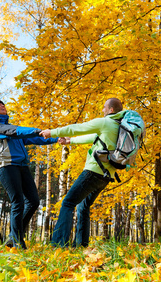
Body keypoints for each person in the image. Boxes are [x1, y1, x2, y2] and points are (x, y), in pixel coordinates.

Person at [39, 98, 123, 247]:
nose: (102, 110)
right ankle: (81, 245)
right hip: (106, 176)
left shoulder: (105, 122)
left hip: (93, 172)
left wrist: (52, 132)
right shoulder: (119, 127)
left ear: (110, 110)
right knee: (83, 206)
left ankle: (59, 245)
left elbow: (77, 128)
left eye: (104, 107)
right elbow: (93, 137)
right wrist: (70, 141)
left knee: (68, 203)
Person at [0, 100, 59, 249]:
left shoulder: (11, 128)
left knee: (33, 201)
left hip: (22, 165)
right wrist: (37, 130)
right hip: (6, 165)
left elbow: (34, 138)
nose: (3, 106)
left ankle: (13, 236)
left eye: (4, 105)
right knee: (18, 201)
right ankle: (18, 244)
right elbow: (14, 131)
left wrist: (57, 138)